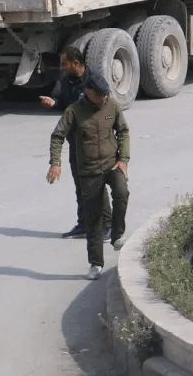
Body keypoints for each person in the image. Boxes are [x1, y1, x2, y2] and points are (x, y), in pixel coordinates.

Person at [47, 72, 130, 280]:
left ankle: (117, 235)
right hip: (89, 170)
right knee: (93, 219)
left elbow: (123, 131)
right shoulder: (74, 111)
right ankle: (95, 264)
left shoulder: (112, 106)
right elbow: (57, 136)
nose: (103, 99)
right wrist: (55, 163)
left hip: (112, 165)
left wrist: (123, 159)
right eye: (99, 95)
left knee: (122, 192)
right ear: (89, 92)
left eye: (105, 95)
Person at [39, 46, 107, 240]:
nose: (61, 68)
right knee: (81, 185)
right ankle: (83, 224)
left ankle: (107, 226)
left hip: (94, 142)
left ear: (76, 63)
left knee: (96, 185)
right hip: (75, 141)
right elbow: (63, 102)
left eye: (64, 64)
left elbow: (104, 102)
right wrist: (54, 103)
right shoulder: (66, 81)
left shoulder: (95, 80)